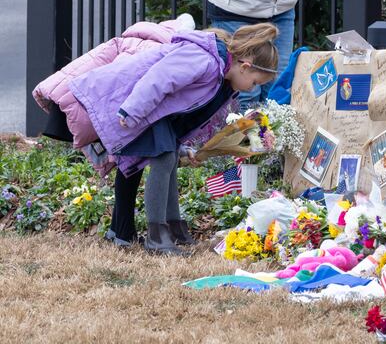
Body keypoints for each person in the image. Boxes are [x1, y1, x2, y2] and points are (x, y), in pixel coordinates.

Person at [68, 23, 279, 254]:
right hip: (137, 104)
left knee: (167, 159)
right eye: (255, 82)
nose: (252, 89)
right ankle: (157, 237)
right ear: (245, 67)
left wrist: (184, 146)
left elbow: (186, 112)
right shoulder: (205, 60)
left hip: (158, 113)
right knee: (163, 159)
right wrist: (132, 110)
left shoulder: (221, 76)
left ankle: (168, 228)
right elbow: (159, 78)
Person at [33, 15, 196, 248]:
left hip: (103, 104)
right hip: (122, 110)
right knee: (131, 165)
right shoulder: (163, 48)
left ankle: (118, 231)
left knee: (126, 165)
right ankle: (123, 232)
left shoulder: (137, 37)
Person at [194, 0, 311, 111]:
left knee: (277, 91)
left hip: (282, 7)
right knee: (243, 96)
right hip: (235, 8)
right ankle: (242, 138)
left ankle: (267, 138)